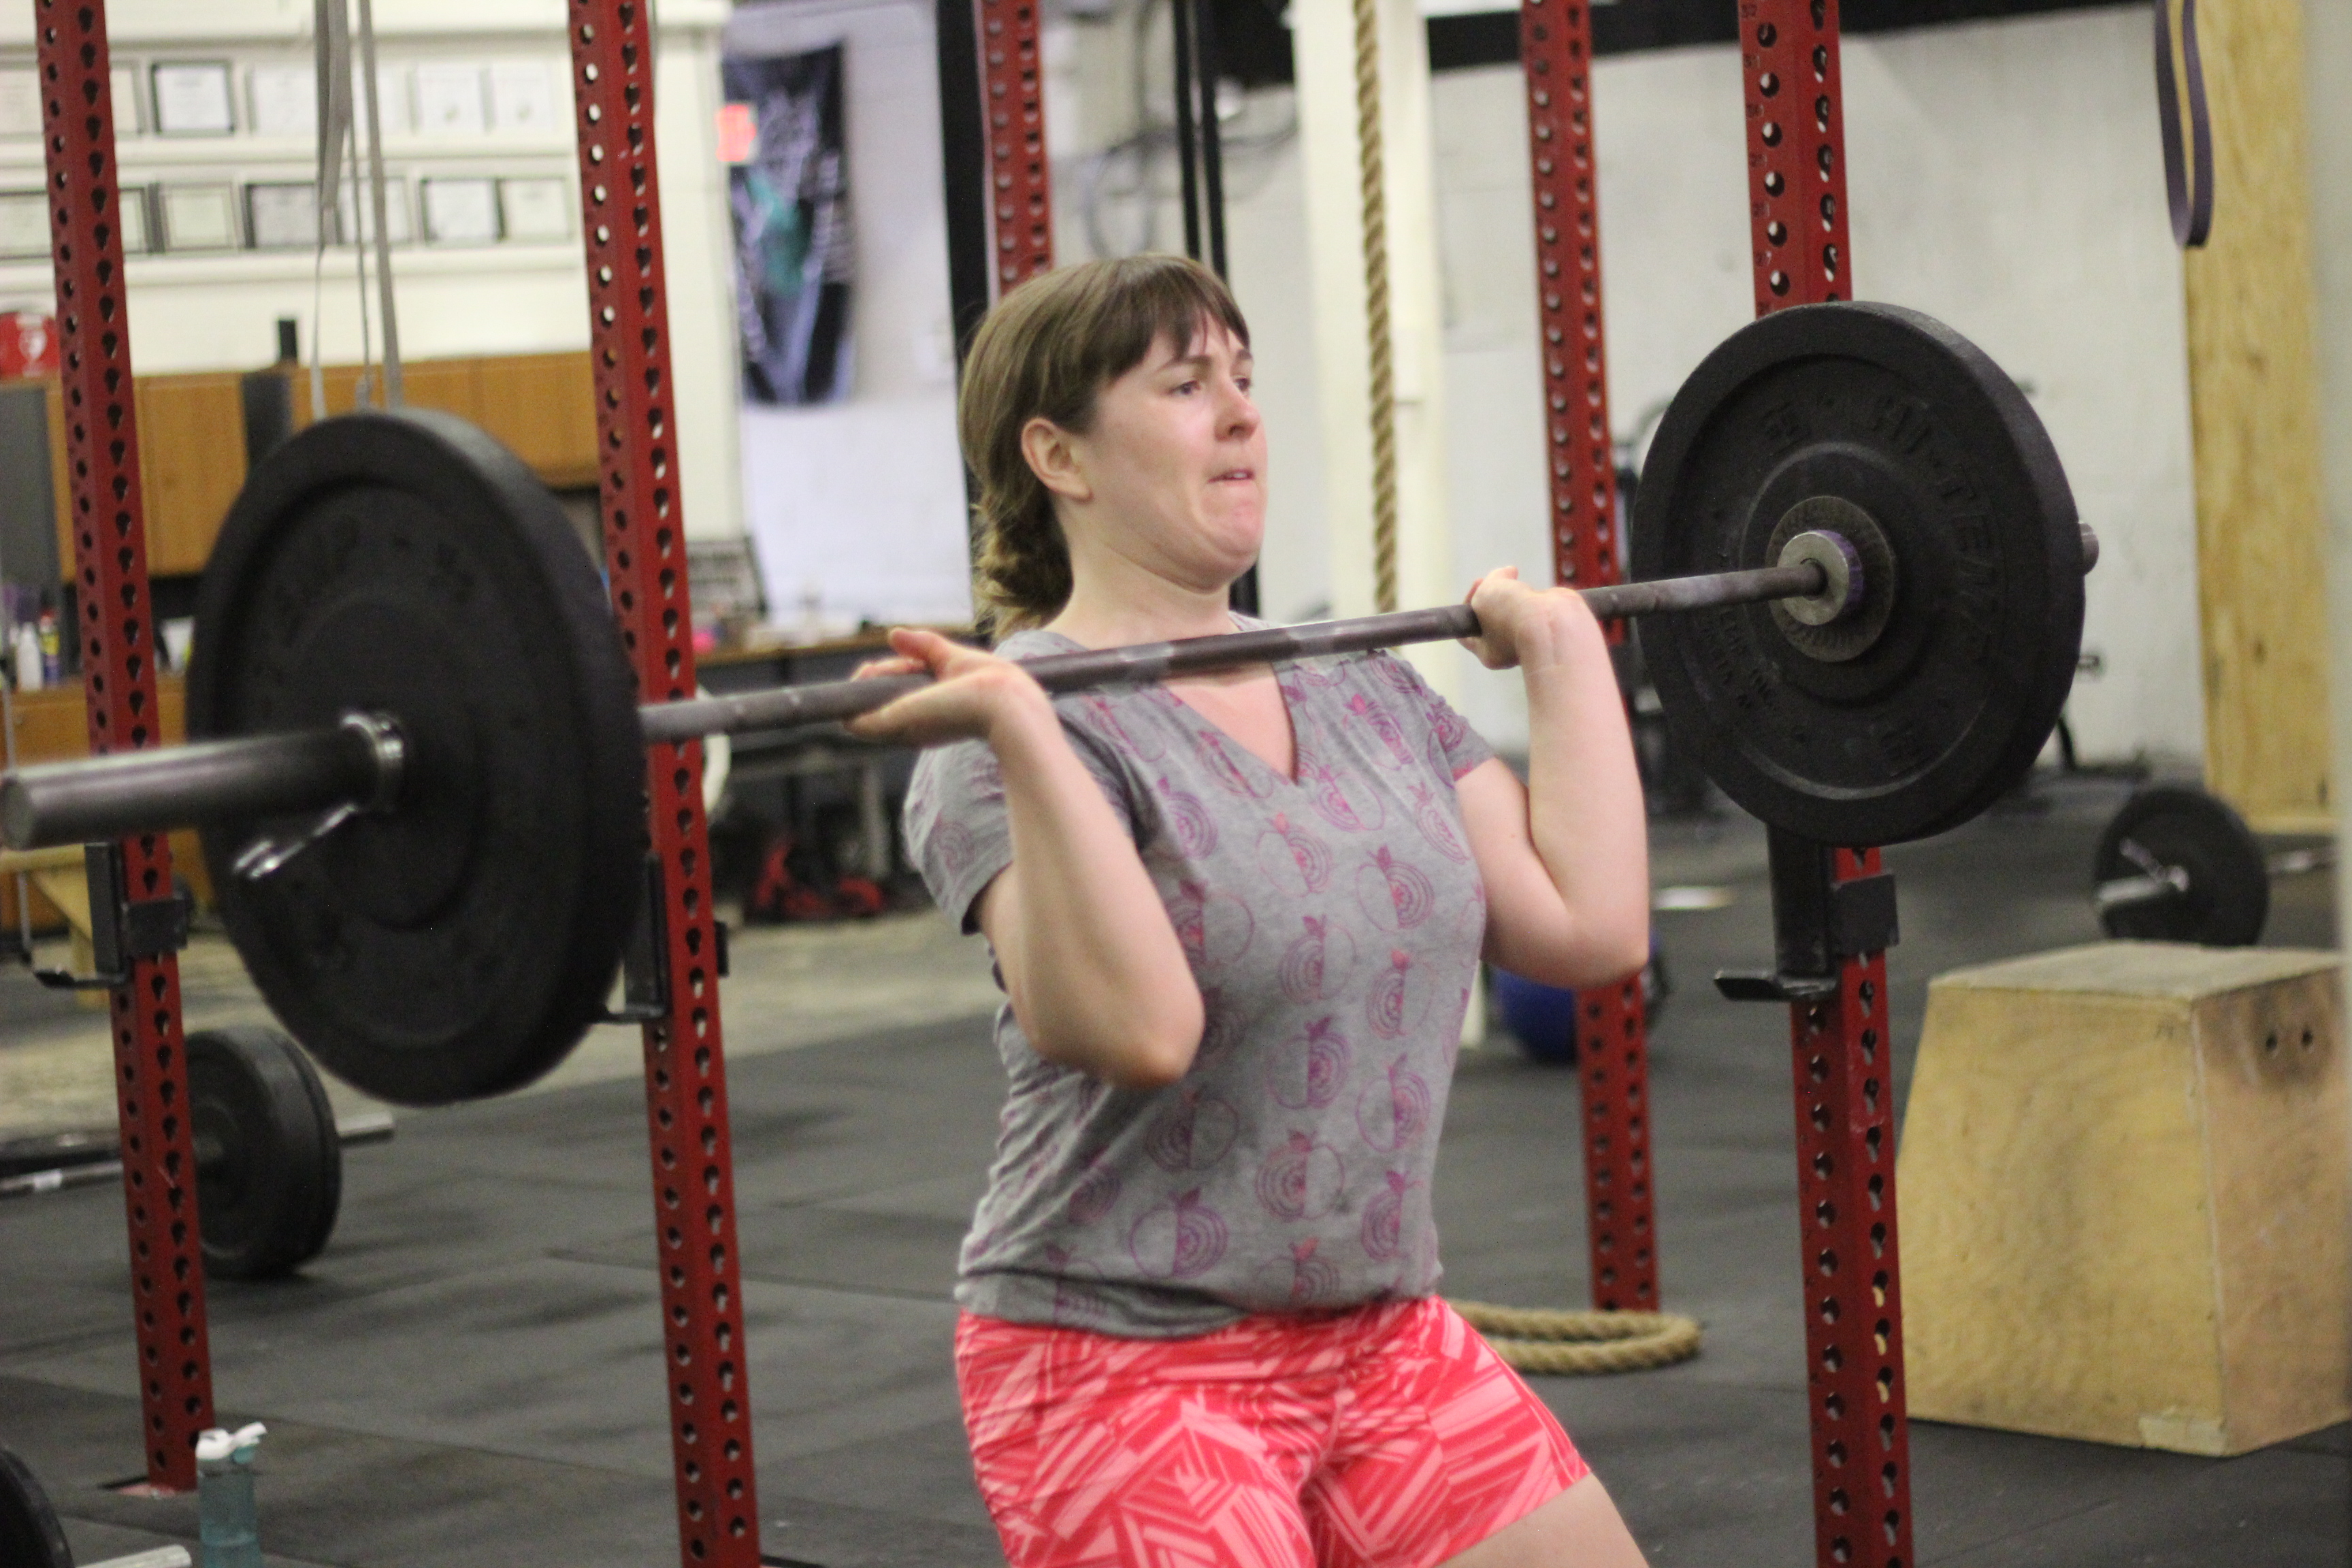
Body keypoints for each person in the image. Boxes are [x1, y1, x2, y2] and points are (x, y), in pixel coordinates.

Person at [849, 254, 1652, 1568]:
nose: (1239, 415)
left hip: (1382, 1336)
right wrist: (1023, 724)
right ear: (1060, 455)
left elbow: (1590, 929)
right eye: (1183, 385)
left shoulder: (1361, 685)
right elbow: (1139, 1029)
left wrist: (1564, 653)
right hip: (1118, 1355)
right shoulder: (999, 733)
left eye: (1244, 380)